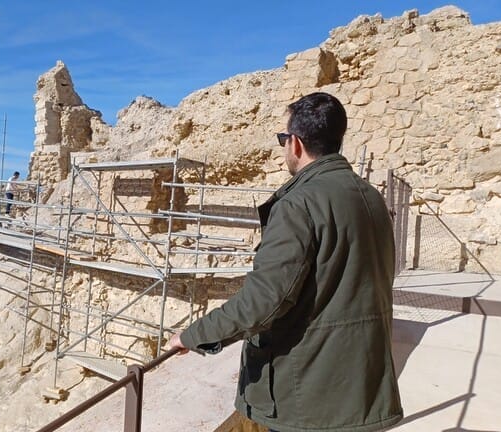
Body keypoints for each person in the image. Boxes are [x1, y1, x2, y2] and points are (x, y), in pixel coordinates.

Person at [169, 92, 403, 432]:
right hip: (360, 383)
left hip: (308, 394)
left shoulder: (298, 203)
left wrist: (193, 335)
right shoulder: (370, 196)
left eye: (283, 139)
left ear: (295, 144)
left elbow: (264, 300)